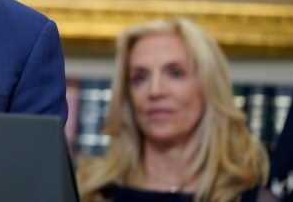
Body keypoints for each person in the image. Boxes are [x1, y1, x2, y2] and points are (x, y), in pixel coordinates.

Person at [77, 17, 269, 202]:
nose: (155, 91)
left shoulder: (251, 196)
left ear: (208, 86)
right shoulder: (90, 194)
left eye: (175, 73)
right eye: (140, 77)